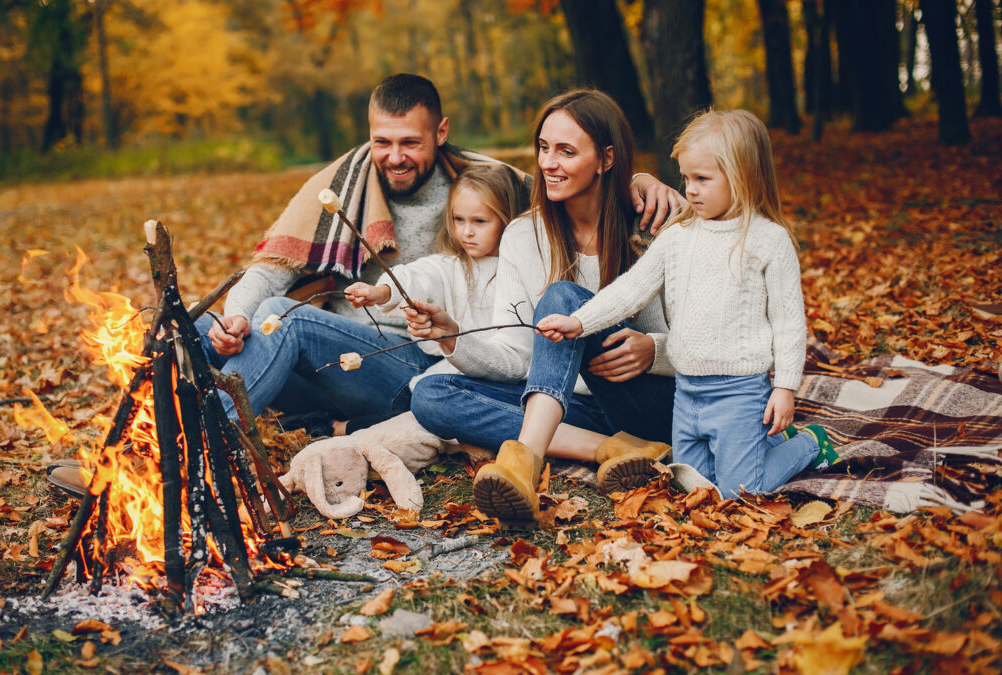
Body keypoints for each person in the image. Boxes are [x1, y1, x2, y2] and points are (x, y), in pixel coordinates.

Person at [200, 75, 682, 434]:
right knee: (201, 327)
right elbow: (268, 271)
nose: (394, 156)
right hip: (347, 360)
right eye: (382, 142)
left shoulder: (488, 183)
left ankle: (209, 449)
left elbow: (569, 190)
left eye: (410, 142)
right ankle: (174, 445)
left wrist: (636, 185)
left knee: (285, 319)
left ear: (441, 132)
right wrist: (233, 318)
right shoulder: (340, 185)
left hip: (412, 357)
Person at [408, 89, 682, 522]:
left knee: (561, 297)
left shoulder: (653, 224)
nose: (548, 164)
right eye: (543, 148)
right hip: (572, 409)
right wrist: (452, 336)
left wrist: (655, 351)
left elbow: (709, 340)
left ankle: (525, 462)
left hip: (649, 398)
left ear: (606, 159)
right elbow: (517, 357)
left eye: (566, 151)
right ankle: (615, 450)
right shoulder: (523, 236)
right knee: (431, 394)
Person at [536, 109, 839, 501]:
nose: (689, 190)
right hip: (687, 392)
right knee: (691, 485)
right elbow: (631, 289)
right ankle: (759, 452)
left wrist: (785, 387)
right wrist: (579, 322)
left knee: (741, 491)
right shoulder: (679, 235)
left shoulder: (767, 241)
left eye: (702, 179)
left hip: (739, 392)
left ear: (742, 177)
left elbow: (789, 324)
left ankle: (809, 444)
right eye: (685, 178)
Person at [345, 163, 526, 393]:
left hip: (511, 375)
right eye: (459, 219)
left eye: (479, 221)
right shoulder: (452, 266)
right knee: (424, 390)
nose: (466, 232)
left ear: (508, 219)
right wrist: (382, 292)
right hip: (459, 369)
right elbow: (419, 276)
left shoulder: (522, 269)